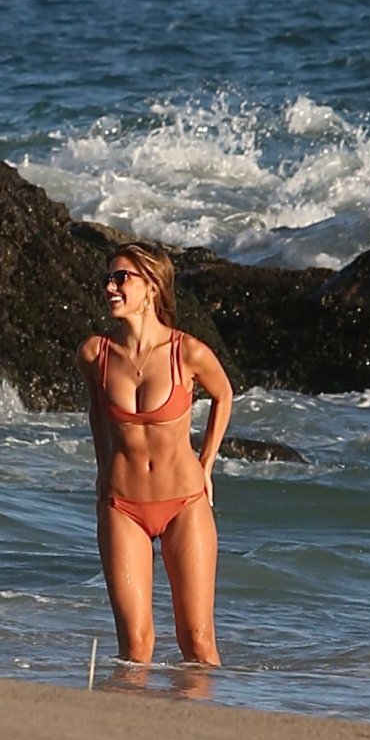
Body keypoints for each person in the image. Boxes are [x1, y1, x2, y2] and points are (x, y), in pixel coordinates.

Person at [77, 242, 233, 667]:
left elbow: (223, 395)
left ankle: (202, 712)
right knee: (136, 645)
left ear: (151, 286)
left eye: (121, 278)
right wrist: (102, 467)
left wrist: (206, 464)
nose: (110, 287)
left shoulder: (188, 352)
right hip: (122, 505)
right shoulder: (95, 353)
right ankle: (129, 712)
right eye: (107, 278)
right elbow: (96, 410)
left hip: (184, 503)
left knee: (197, 642)